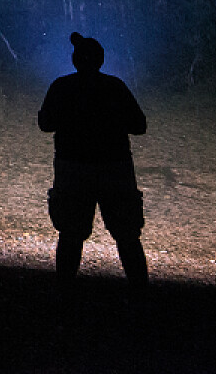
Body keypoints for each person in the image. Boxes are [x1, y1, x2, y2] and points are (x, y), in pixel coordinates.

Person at [38, 32, 148, 286]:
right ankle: (141, 293)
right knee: (128, 236)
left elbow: (45, 124)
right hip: (115, 169)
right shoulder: (115, 87)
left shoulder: (62, 87)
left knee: (70, 235)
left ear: (75, 60)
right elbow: (139, 125)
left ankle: (64, 292)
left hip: (72, 169)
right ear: (101, 60)